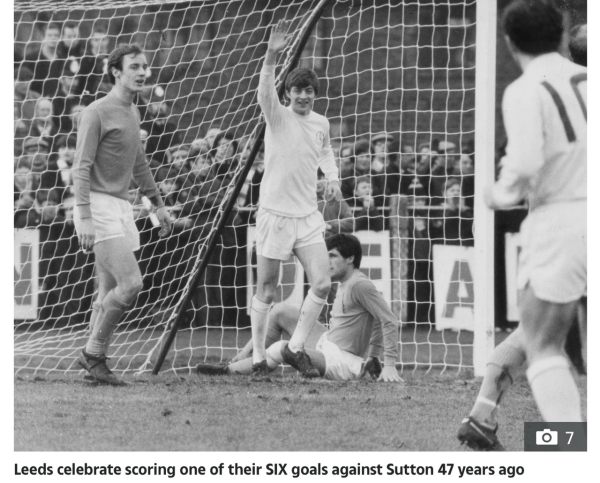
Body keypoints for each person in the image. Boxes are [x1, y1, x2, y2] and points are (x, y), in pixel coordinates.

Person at [457, 0, 586, 450]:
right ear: (565, 30)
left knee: (543, 343)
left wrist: (498, 193)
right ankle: (483, 415)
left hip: (563, 221)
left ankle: (566, 456)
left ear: (509, 43)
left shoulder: (526, 88)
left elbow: (526, 161)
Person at [72, 44, 172, 385]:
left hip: (121, 205)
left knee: (106, 293)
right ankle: (93, 353)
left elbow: (139, 162)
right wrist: (83, 216)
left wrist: (158, 204)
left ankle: (93, 369)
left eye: (145, 66)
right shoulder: (96, 111)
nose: (143, 72)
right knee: (131, 284)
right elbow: (80, 169)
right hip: (96, 206)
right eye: (135, 66)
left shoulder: (133, 111)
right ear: (116, 70)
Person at [250, 19, 342, 377]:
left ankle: (295, 347)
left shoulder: (321, 123)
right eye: (297, 91)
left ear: (315, 94)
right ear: (288, 93)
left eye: (309, 91)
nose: (303, 96)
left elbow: (326, 152)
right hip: (274, 214)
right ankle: (259, 357)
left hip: (306, 215)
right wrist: (272, 57)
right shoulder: (277, 116)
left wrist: (333, 178)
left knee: (321, 282)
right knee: (268, 290)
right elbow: (263, 92)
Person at [197, 234, 403, 382]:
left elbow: (388, 319)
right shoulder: (345, 282)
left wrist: (389, 364)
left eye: (332, 256)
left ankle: (228, 372)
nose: (326, 261)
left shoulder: (360, 285)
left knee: (282, 348)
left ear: (350, 259)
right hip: (328, 343)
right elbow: (375, 319)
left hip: (341, 360)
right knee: (279, 311)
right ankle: (241, 358)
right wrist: (374, 356)